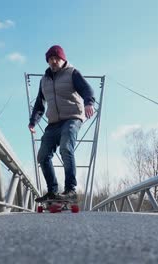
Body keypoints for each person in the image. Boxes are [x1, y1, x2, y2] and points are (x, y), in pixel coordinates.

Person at [29, 45, 95, 202]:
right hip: (53, 123)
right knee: (43, 155)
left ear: (63, 59)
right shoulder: (44, 80)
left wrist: (88, 103)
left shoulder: (72, 73)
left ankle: (70, 190)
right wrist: (33, 121)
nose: (53, 61)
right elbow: (39, 104)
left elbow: (87, 89)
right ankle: (52, 191)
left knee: (66, 147)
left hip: (72, 117)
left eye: (56, 58)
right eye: (50, 59)